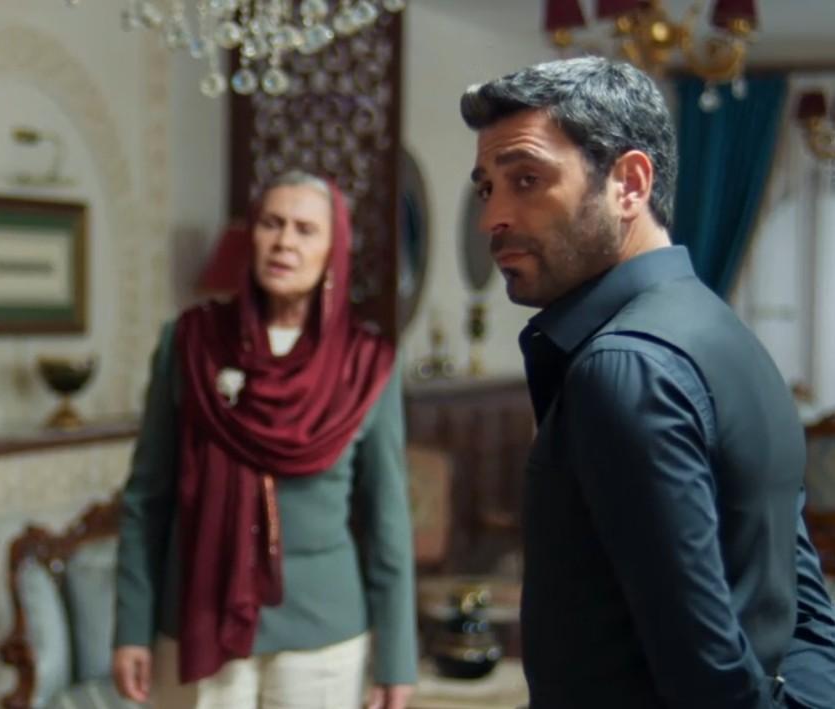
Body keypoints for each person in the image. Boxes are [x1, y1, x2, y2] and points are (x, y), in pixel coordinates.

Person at [461, 56, 835, 708]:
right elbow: (800, 601)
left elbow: (706, 677)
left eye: (526, 179)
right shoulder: (718, 326)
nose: (492, 216)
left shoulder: (624, 367)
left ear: (629, 184)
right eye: (487, 188)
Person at [112, 170, 417, 709]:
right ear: (250, 236)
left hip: (323, 633)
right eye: (271, 224)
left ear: (334, 250)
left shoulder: (367, 364)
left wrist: (397, 656)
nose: (284, 242)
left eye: (305, 229)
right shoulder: (191, 343)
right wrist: (132, 627)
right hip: (198, 618)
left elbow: (386, 519)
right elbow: (146, 499)